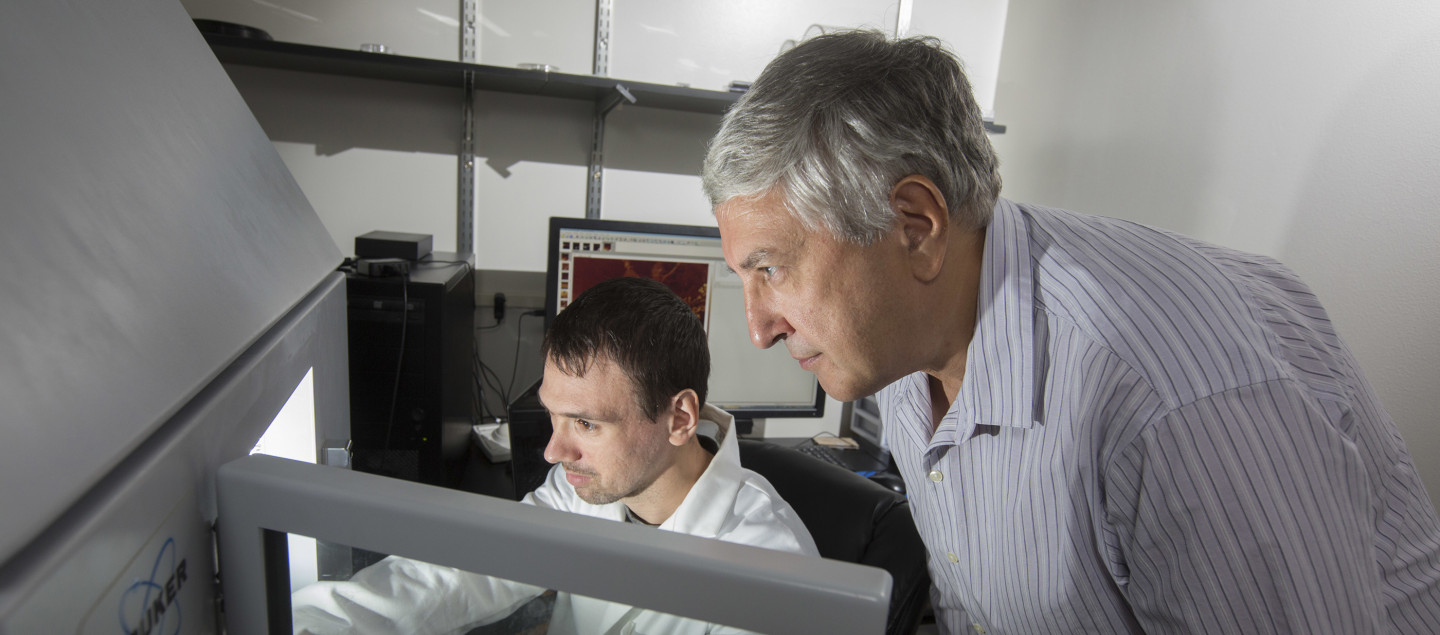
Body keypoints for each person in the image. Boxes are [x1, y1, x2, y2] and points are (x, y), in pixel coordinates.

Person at [702, 29, 1440, 634]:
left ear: (915, 226)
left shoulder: (1166, 398)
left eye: (773, 269)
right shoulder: (903, 346)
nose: (759, 327)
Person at [291, 277, 818, 634]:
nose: (553, 451)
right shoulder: (585, 489)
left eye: (586, 423)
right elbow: (461, 569)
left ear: (679, 418)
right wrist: (301, 621)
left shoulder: (771, 569)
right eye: (553, 416)